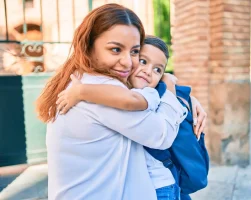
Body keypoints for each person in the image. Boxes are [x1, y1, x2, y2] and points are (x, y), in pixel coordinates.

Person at [36, 4, 187, 200]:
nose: (127, 62)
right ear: (88, 46)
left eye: (134, 52)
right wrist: (170, 89)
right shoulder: (98, 89)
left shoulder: (80, 79)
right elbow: (161, 135)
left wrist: (187, 98)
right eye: (115, 49)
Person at [56, 36, 209, 200]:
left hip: (159, 186)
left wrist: (81, 92)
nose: (148, 71)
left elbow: (129, 101)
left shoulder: (149, 95)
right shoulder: (134, 91)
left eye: (158, 70)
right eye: (143, 61)